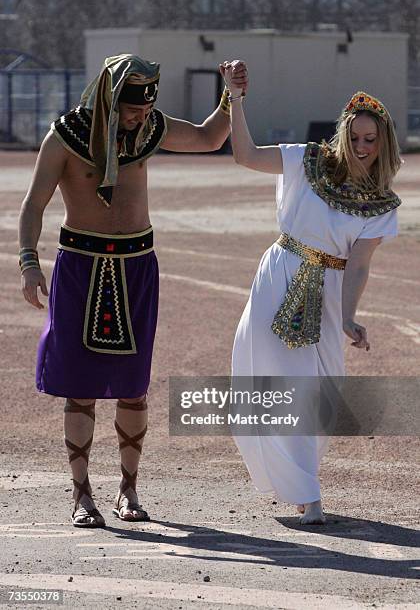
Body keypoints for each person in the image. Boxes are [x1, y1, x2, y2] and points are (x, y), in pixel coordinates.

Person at [19, 54, 247, 528]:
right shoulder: (65, 136)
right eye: (132, 109)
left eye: (146, 109)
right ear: (109, 98)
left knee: (133, 387)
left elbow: (209, 137)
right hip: (80, 267)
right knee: (79, 388)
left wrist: (231, 94)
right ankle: (82, 494)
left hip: (136, 268)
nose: (140, 117)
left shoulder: (149, 129)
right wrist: (28, 263)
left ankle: (129, 490)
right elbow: (34, 203)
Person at [222, 61, 401, 524]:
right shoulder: (306, 159)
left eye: (371, 140)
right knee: (270, 377)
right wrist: (235, 100)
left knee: (320, 392)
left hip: (329, 289)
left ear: (383, 143)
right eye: (356, 137)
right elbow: (244, 155)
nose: (362, 147)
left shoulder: (381, 203)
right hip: (281, 273)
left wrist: (347, 317)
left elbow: (359, 264)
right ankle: (309, 495)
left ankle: (300, 482)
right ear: (343, 133)